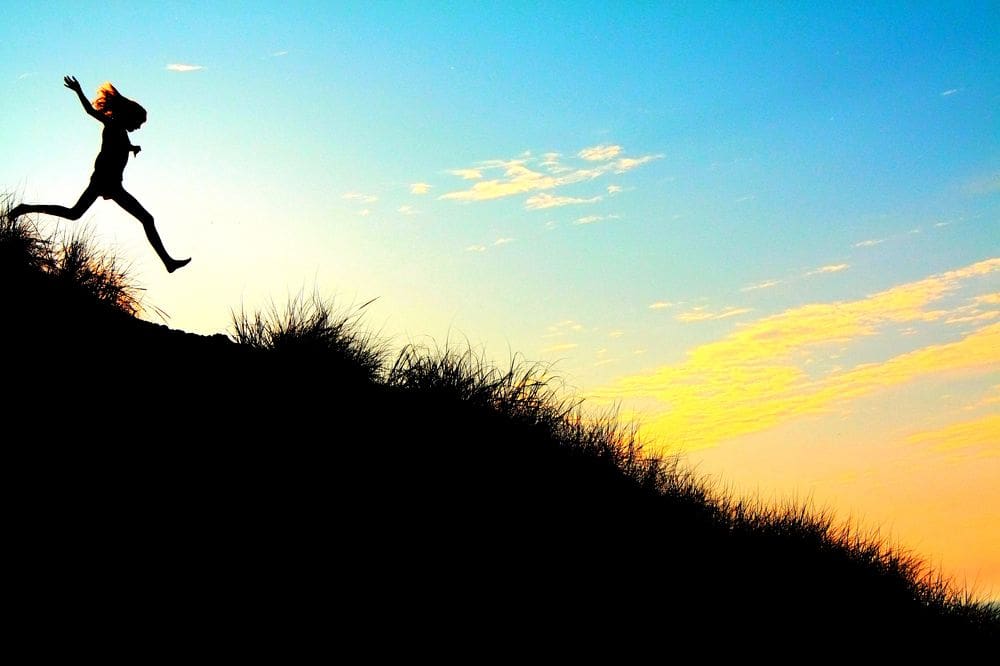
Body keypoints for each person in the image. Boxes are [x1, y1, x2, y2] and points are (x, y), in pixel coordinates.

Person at [10, 76, 190, 273]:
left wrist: (131, 147)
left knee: (74, 213)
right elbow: (90, 111)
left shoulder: (120, 132)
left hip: (110, 183)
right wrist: (78, 91)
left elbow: (116, 146)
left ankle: (25, 208)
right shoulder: (112, 125)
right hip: (107, 182)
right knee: (146, 219)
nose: (139, 127)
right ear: (130, 117)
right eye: (139, 123)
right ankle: (168, 262)